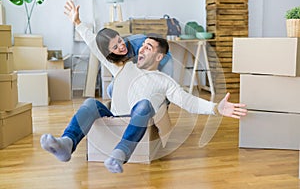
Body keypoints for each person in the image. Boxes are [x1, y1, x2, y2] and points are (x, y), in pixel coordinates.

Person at [40, 31, 247, 174]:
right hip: (113, 117)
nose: (140, 49)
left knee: (145, 105)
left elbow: (188, 101)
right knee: (89, 104)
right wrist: (78, 23)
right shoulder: (124, 67)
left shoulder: (164, 81)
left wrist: (215, 108)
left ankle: (119, 155)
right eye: (142, 46)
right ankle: (67, 144)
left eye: (147, 47)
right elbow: (95, 47)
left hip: (138, 119)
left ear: (159, 56)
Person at [64, 0, 173, 97]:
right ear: (109, 52)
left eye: (120, 40)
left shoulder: (140, 44)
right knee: (111, 89)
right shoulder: (113, 60)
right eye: (115, 47)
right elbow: (92, 42)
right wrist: (77, 22)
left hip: (161, 60)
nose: (121, 46)